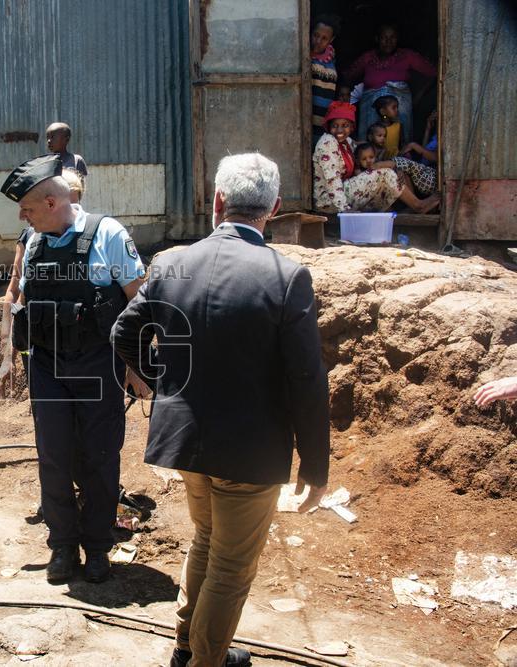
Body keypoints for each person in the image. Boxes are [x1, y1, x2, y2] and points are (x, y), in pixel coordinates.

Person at [112, 153, 331, 667]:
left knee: (208, 541)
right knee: (231, 565)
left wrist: (157, 381)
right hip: (249, 455)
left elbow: (124, 330)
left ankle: (188, 646)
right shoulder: (286, 276)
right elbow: (307, 380)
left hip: (186, 443)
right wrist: (315, 465)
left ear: (217, 201)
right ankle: (205, 660)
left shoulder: (172, 263)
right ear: (274, 208)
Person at [0, 154, 148, 584]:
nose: (22, 217)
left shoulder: (108, 234)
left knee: (100, 456)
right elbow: (22, 302)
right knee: (53, 456)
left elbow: (139, 300)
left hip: (98, 363)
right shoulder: (33, 241)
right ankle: (62, 545)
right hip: (47, 365)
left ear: (51, 203)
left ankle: (97, 546)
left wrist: (136, 365)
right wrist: (10, 355)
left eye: (27, 208)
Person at [0, 167, 86, 396]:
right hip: (40, 345)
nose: (70, 207)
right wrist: (8, 350)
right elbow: (14, 293)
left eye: (75, 201)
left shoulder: (93, 236)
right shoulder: (31, 238)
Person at [312, 101, 439, 213]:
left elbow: (368, 158)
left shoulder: (347, 142)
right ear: (329, 127)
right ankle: (418, 206)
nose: (340, 130)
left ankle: (403, 210)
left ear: (351, 127)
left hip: (343, 196)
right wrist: (344, 209)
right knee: (385, 174)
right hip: (329, 202)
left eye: (345, 125)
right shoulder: (328, 142)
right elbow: (332, 180)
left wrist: (396, 169)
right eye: (335, 126)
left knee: (387, 173)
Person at [342, 23, 436, 143]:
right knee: (369, 142)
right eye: (384, 38)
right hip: (371, 107)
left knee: (400, 140)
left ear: (397, 39)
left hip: (400, 106)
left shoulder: (407, 56)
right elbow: (348, 76)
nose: (388, 41)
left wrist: (418, 96)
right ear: (377, 39)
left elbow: (434, 72)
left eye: (393, 37)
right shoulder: (368, 58)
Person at [310, 15, 341, 147]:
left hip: (323, 120)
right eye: (316, 35)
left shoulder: (331, 58)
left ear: (331, 40)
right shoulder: (303, 55)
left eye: (324, 38)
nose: (318, 41)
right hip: (304, 116)